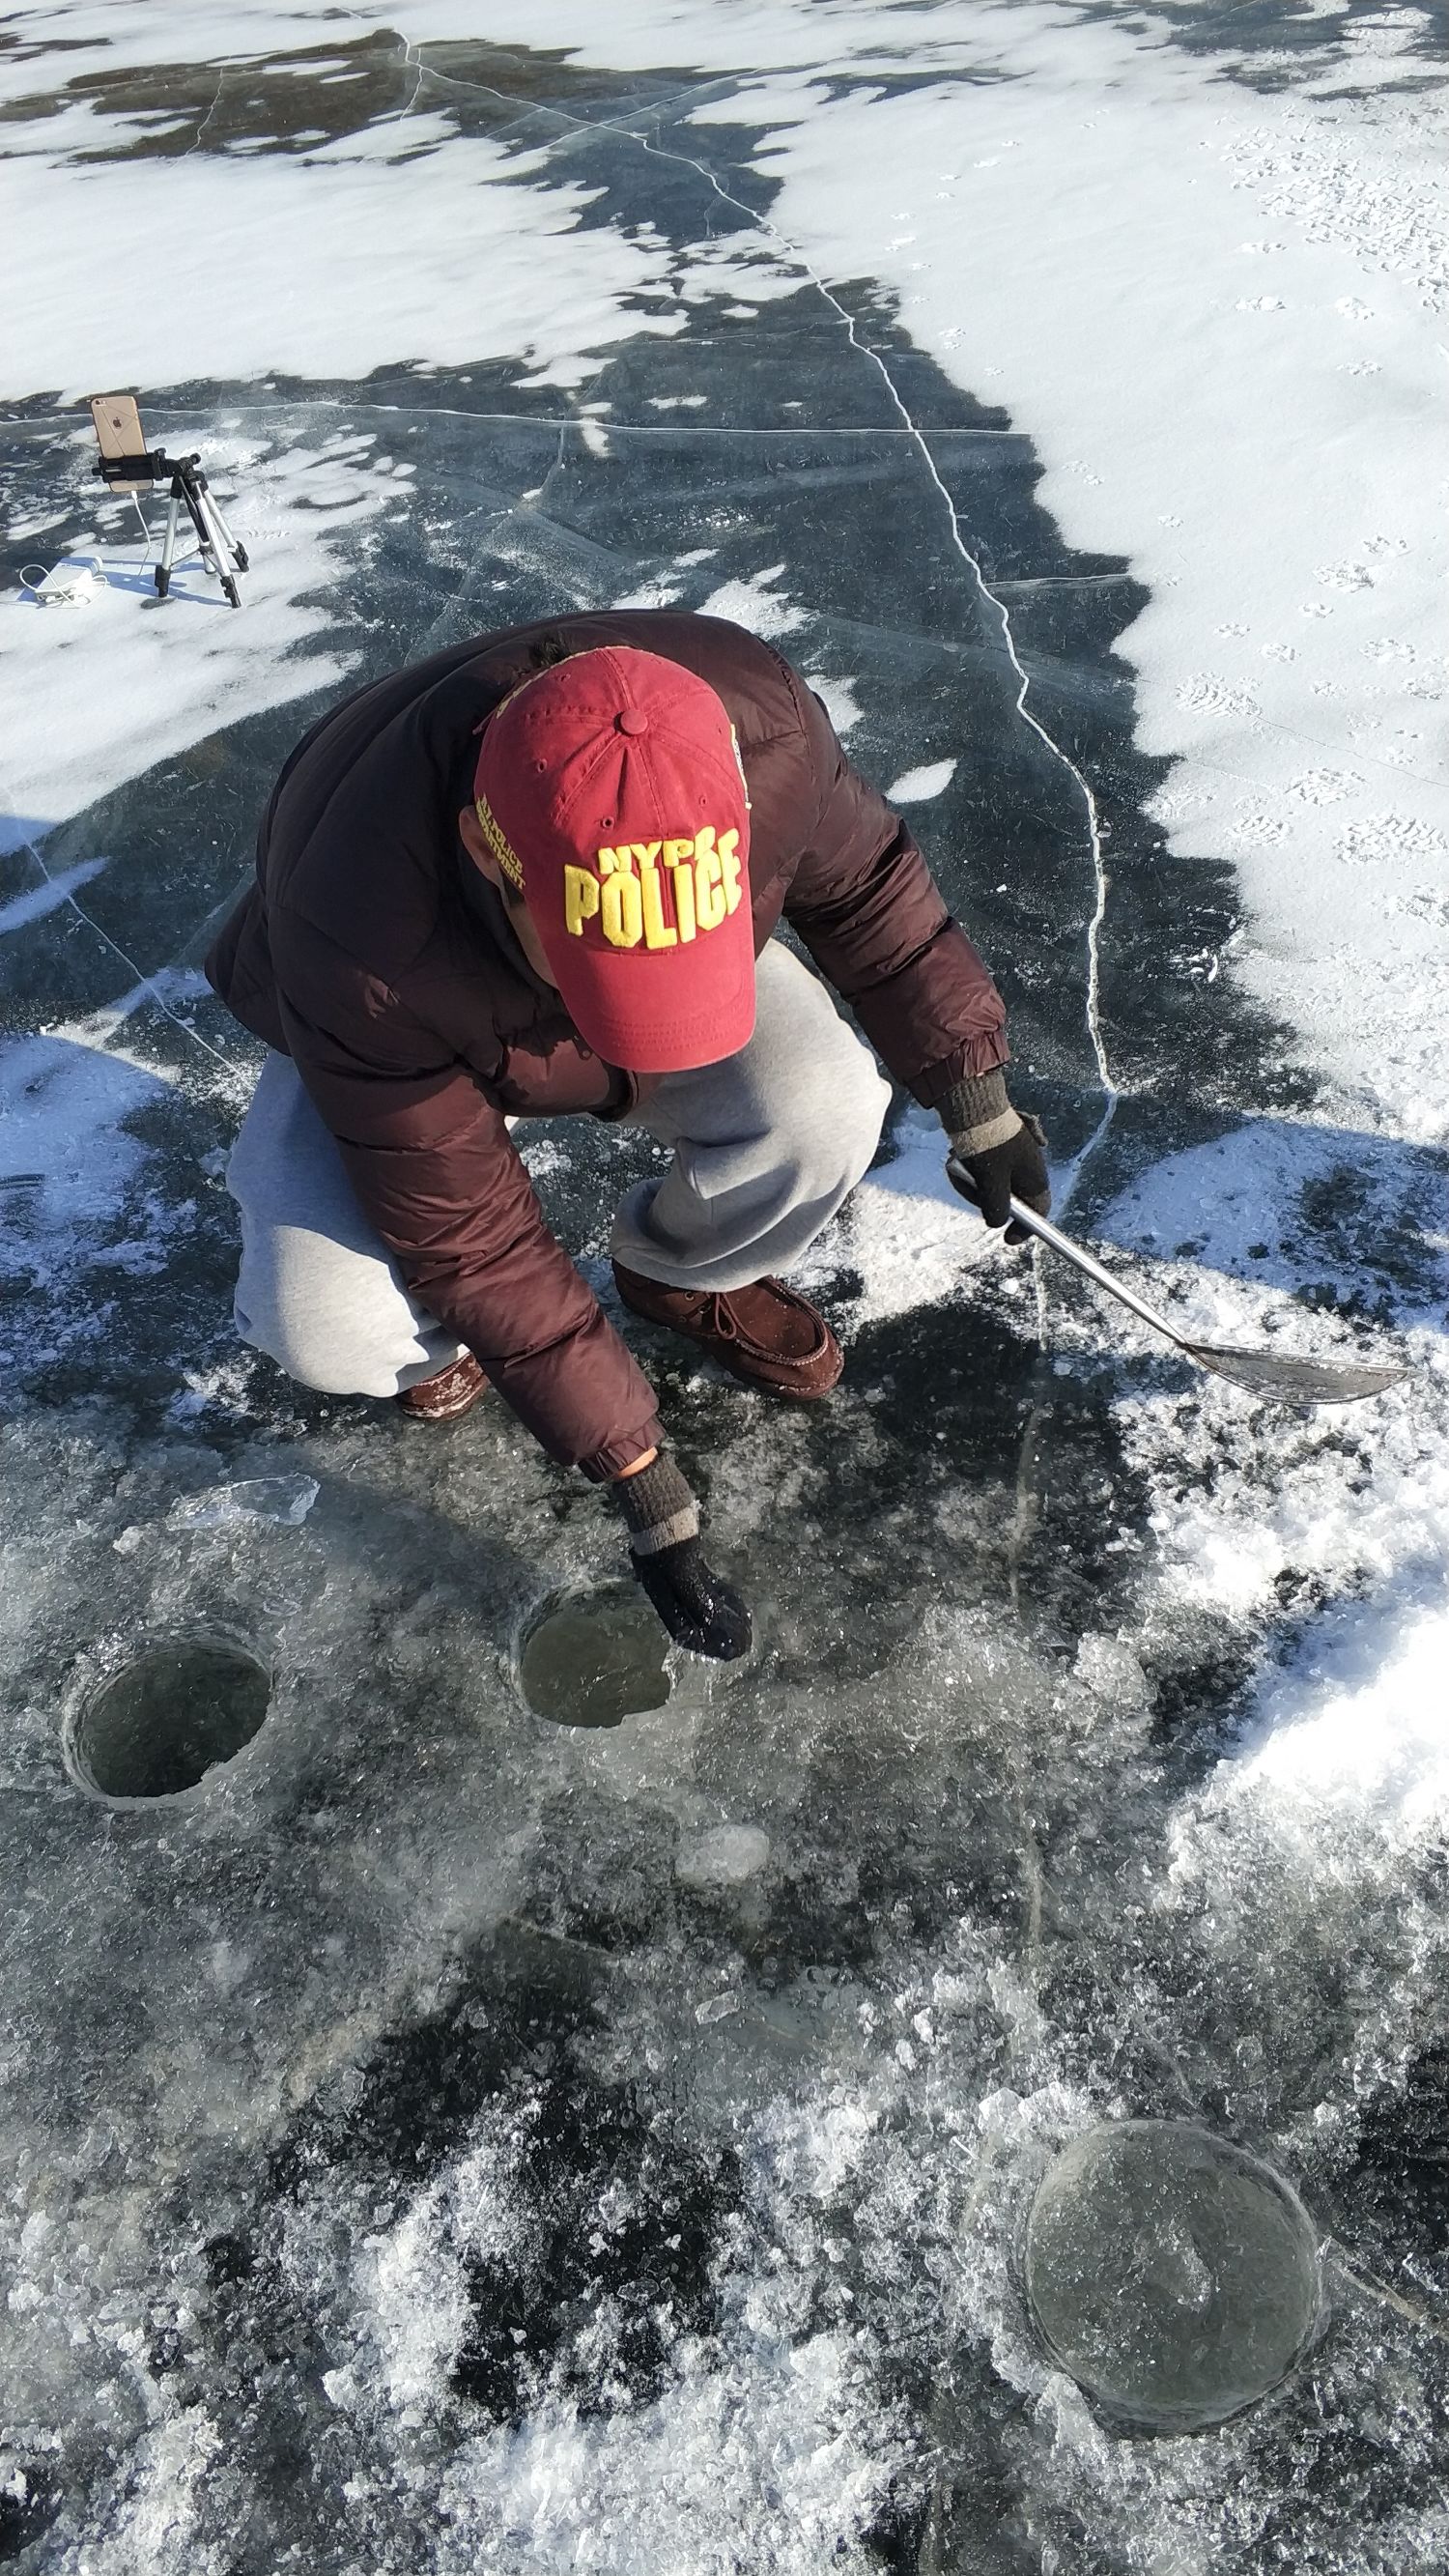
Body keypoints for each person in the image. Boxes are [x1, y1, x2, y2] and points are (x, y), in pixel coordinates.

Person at [207, 611, 1049, 1662]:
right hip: (403, 1032)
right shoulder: (360, 932)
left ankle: (680, 1269)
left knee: (824, 1103)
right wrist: (641, 1476)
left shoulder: (763, 734)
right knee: (322, 1323)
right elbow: (472, 1234)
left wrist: (979, 1099)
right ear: (492, 854)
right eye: (603, 962)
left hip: (551, 978)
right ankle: (435, 1346)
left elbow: (875, 894)